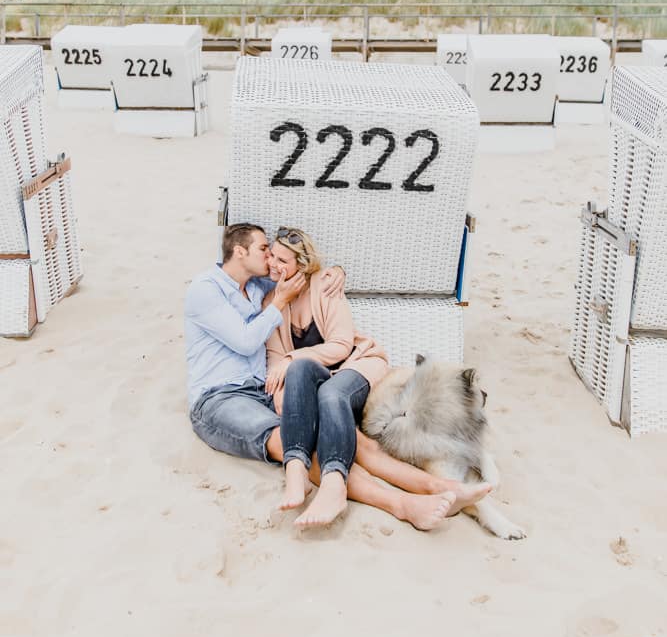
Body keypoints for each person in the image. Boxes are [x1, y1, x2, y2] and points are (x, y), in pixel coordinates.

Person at [185, 223, 489, 531]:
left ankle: (439, 487)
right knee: (292, 440)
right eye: (264, 250)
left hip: (265, 389)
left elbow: (304, 278)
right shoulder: (206, 289)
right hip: (222, 396)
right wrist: (280, 302)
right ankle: (401, 504)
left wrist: (337, 271)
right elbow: (247, 340)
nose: (270, 259)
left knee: (351, 439)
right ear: (239, 252)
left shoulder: (259, 286)